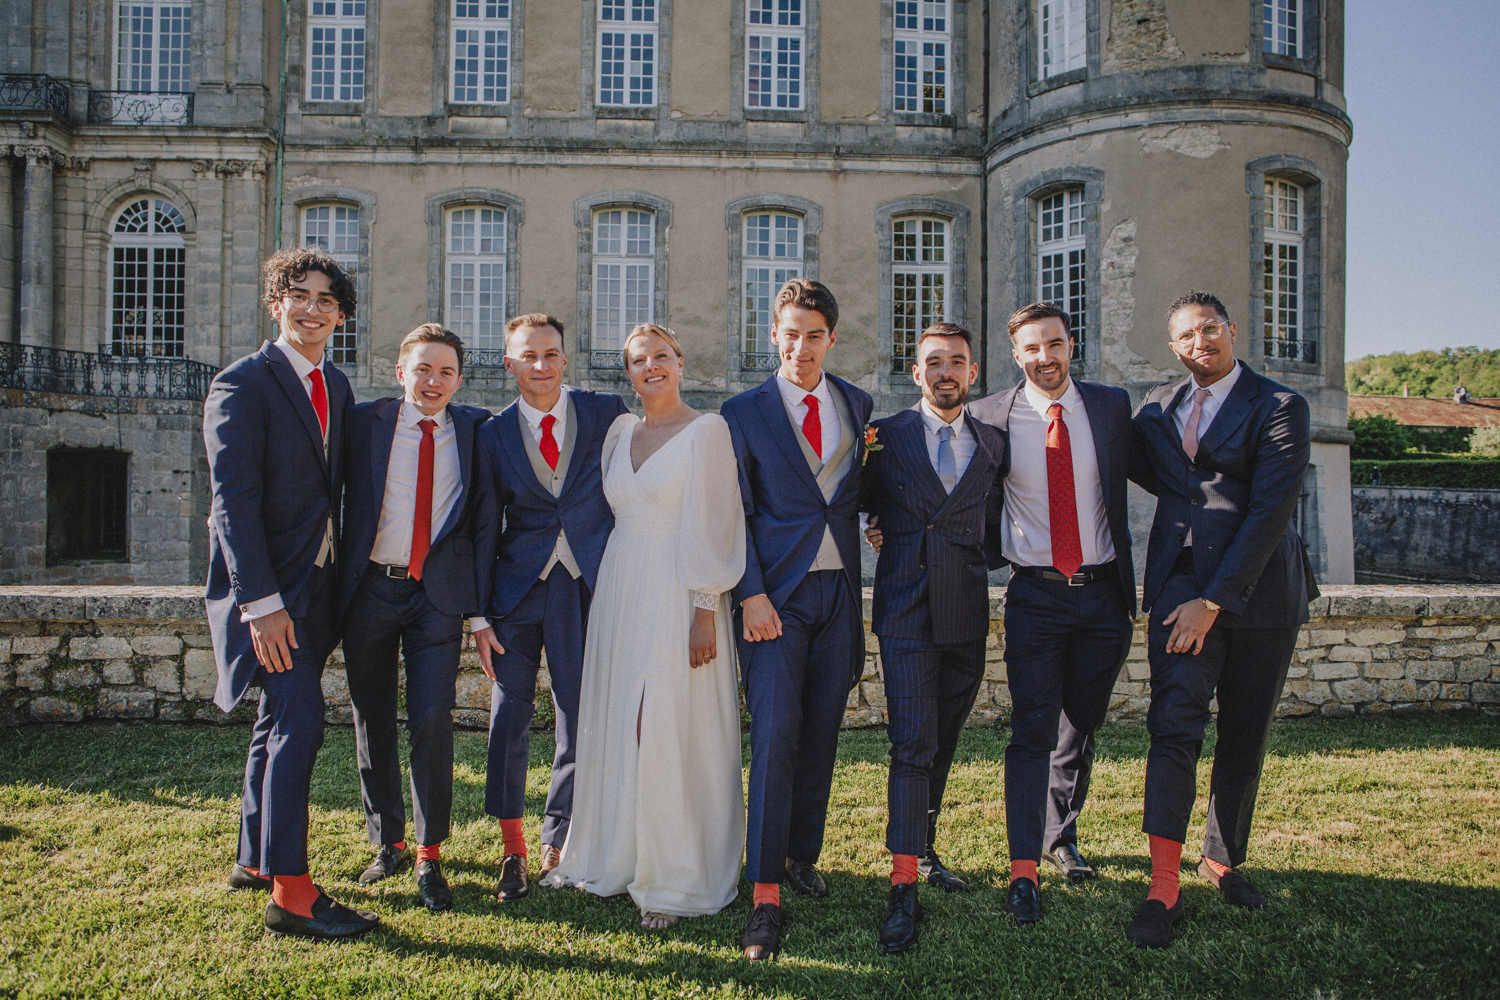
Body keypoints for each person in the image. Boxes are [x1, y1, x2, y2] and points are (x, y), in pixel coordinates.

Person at [1125, 291, 1319, 949]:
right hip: (1178, 586)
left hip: (1261, 594)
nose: (1200, 342)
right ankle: (1163, 883)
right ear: (1173, 346)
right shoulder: (1158, 406)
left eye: (1210, 329)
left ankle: (1222, 859)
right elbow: (1151, 472)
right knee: (1173, 725)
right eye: (1186, 335)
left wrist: (1213, 600)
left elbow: (1271, 509)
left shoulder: (1280, 405)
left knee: (1244, 731)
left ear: (1231, 330)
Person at [544, 324, 747, 928]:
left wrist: (705, 609)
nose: (651, 366)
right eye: (639, 360)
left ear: (680, 362)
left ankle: (675, 872)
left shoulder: (708, 431)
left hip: (680, 588)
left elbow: (717, 521)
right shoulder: (618, 432)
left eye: (662, 356)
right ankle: (617, 855)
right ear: (628, 372)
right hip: (621, 585)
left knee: (666, 720)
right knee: (619, 719)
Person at [204, 246, 375, 939]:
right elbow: (232, 505)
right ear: (276, 303)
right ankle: (292, 893)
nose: (312, 309)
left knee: (276, 720)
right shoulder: (242, 384)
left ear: (340, 316)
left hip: (319, 587)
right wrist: (261, 605)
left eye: (326, 301)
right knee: (300, 722)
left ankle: (253, 857)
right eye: (299, 295)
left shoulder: (336, 385)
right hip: (271, 597)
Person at [967, 303, 1137, 925]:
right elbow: (951, 483)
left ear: (1071, 344)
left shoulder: (1111, 407)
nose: (1045, 358)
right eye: (1032, 349)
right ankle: (1023, 869)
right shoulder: (989, 415)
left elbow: (1162, 472)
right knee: (1032, 729)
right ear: (1017, 355)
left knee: (1081, 724)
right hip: (1035, 595)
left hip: (1104, 595)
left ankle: (1060, 835)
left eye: (1055, 344)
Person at [721, 278, 873, 961]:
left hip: (838, 591)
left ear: (830, 338)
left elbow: (853, 492)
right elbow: (734, 512)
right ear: (774, 336)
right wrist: (749, 594)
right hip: (774, 600)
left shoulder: (856, 403)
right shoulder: (743, 412)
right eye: (791, 334)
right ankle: (763, 892)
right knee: (776, 735)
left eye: (815, 335)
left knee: (821, 733)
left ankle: (801, 855)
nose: (802, 347)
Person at [335, 324, 495, 912]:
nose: (433, 381)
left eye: (446, 372)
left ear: (459, 380)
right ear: (401, 373)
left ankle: (430, 853)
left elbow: (486, 523)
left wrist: (478, 608)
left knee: (432, 717)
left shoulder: (476, 430)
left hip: (437, 595)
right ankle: (389, 842)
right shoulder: (362, 424)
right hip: (370, 590)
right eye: (423, 369)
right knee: (372, 716)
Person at [858, 322, 1005, 953]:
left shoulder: (993, 442)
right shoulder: (883, 437)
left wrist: (973, 559)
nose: (946, 372)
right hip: (907, 612)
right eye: (934, 362)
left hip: (966, 613)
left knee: (942, 739)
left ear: (972, 372)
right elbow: (857, 501)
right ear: (916, 373)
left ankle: (924, 847)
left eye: (957, 362)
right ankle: (902, 886)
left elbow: (1001, 520)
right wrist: (876, 527)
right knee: (912, 742)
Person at [473, 314, 630, 902]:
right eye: (528, 356)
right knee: (507, 718)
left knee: (578, 716)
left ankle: (559, 835)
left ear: (566, 358)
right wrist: (479, 615)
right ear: (509, 363)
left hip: (586, 586)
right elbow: (483, 527)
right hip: (515, 594)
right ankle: (512, 848)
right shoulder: (492, 434)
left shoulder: (605, 412)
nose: (541, 365)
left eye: (551, 354)